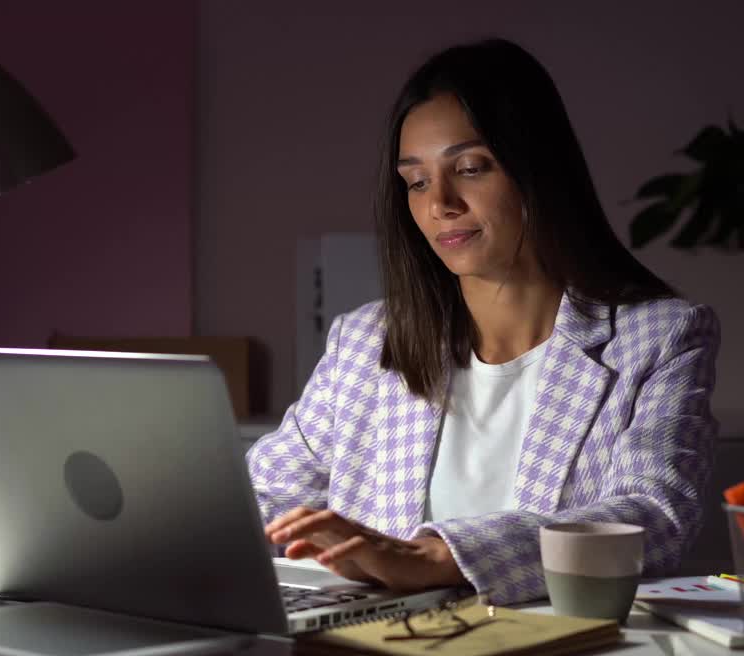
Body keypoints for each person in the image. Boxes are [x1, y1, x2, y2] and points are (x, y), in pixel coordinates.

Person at [247, 38, 719, 604]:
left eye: (470, 168)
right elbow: (263, 494)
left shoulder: (660, 335)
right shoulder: (366, 341)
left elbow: (653, 517)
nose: (439, 202)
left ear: (537, 170)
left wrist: (437, 557)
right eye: (416, 181)